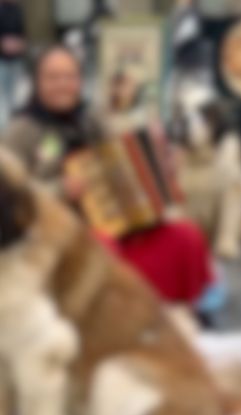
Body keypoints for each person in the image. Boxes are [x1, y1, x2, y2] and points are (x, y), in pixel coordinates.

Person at [1, 45, 217, 310]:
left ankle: (181, 314)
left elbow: (122, 163)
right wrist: (60, 190)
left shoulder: (91, 119)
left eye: (69, 76)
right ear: (37, 82)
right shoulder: (20, 131)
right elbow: (11, 200)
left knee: (185, 237)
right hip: (57, 240)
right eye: (53, 77)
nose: (62, 84)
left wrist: (163, 168)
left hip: (113, 224)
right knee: (105, 247)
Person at [0, 0, 25, 131]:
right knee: (4, 92)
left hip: (16, 58)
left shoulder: (17, 10)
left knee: (15, 92)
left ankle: (13, 122)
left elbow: (21, 30)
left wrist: (20, 43)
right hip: (2, 59)